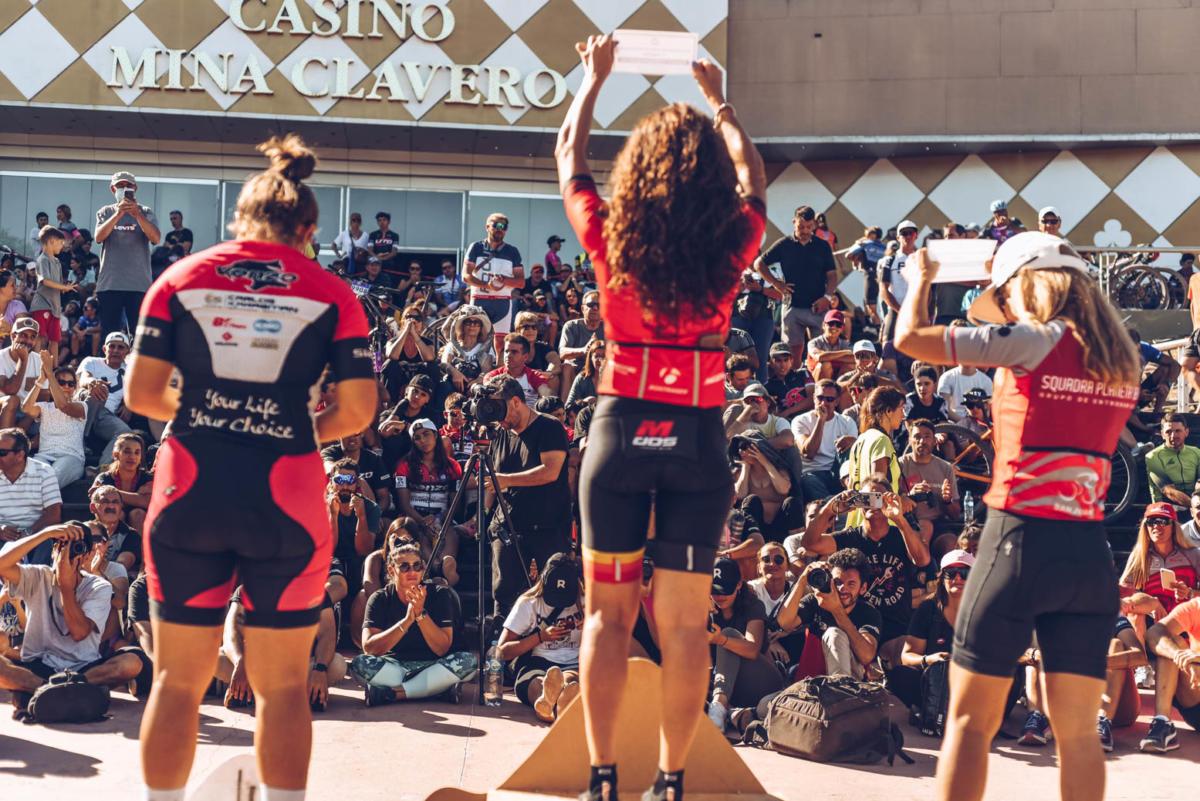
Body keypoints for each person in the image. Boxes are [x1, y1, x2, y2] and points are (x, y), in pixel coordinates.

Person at [125, 135, 377, 801]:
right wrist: (289, 428)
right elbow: (358, 408)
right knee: (283, 689)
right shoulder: (332, 292)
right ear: (310, 231)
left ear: (240, 218)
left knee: (177, 682)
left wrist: (213, 415)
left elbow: (142, 394)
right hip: (285, 500)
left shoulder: (181, 277)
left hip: (190, 491)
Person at [557, 34, 766, 801]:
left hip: (620, 433)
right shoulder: (733, 245)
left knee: (606, 620)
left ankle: (602, 778)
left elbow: (569, 155)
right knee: (683, 629)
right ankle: (673, 780)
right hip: (698, 437)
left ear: (638, 172)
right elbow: (755, 181)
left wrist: (594, 81)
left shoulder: (611, 238)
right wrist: (720, 103)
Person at [894, 231, 1140, 801]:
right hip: (1088, 554)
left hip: (1019, 540)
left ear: (1028, 285)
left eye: (1006, 294)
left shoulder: (1034, 341)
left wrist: (920, 279)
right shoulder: (1120, 360)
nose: (1005, 306)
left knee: (967, 724)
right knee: (1078, 734)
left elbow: (909, 338)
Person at [0, 522, 147, 720]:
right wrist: (45, 533)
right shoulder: (38, 575)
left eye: (75, 548)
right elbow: (2, 564)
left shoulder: (99, 586)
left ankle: (42, 692)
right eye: (61, 546)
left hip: (83, 667)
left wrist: (66, 588)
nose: (67, 553)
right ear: (53, 550)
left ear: (86, 556)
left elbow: (79, 632)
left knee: (131, 662)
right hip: (38, 664)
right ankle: (69, 691)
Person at [800, 481, 930, 665]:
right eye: (865, 498)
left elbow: (923, 560)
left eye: (878, 498)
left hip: (896, 628)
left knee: (910, 652)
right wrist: (830, 509)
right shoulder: (850, 537)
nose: (872, 503)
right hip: (860, 626)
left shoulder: (901, 535)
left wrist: (899, 518)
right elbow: (809, 544)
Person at [479, 374, 571, 615]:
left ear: (516, 402)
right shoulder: (501, 433)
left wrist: (507, 480)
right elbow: (494, 480)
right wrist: (484, 513)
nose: (498, 417)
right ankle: (500, 633)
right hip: (509, 525)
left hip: (548, 526)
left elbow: (551, 471)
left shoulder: (549, 426)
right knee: (504, 593)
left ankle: (553, 637)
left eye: (500, 409)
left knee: (554, 590)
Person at [350, 542, 474, 705]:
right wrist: (407, 620)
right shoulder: (379, 598)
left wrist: (420, 614)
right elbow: (369, 648)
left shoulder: (440, 594)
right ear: (391, 570)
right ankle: (436, 690)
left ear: (423, 569)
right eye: (404, 567)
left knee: (468, 661)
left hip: (434, 665)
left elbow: (442, 648)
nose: (412, 572)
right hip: (394, 667)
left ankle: (395, 694)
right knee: (359, 664)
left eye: (417, 566)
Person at [498, 552, 584, 722]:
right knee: (535, 682)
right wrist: (541, 637)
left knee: (570, 678)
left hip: (574, 663)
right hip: (538, 662)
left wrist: (591, 628)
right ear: (543, 583)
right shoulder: (529, 603)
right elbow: (501, 652)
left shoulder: (586, 601)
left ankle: (554, 699)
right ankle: (549, 699)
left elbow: (610, 641)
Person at [776, 547, 882, 679]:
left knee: (834, 633)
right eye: (837, 582)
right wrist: (802, 580)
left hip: (850, 685)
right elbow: (784, 623)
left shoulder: (868, 612)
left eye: (851, 584)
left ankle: (840, 686)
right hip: (812, 682)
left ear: (863, 588)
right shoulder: (816, 601)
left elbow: (866, 656)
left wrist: (837, 611)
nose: (842, 588)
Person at [705, 557, 783, 729]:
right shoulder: (705, 607)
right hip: (731, 687)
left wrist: (720, 640)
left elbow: (752, 650)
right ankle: (729, 711)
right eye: (714, 590)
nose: (719, 596)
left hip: (763, 682)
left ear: (739, 585)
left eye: (725, 590)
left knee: (728, 634)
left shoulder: (753, 606)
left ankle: (719, 707)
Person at [890, 549, 972, 708]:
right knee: (899, 675)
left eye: (964, 573)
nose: (957, 578)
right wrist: (929, 659)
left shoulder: (985, 610)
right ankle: (932, 711)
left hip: (972, 682)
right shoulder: (928, 608)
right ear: (941, 578)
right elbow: (907, 656)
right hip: (935, 684)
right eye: (951, 573)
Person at [755, 206, 837, 364]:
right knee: (791, 355)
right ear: (794, 222)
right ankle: (794, 379)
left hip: (818, 307)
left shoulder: (823, 246)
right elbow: (759, 263)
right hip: (792, 307)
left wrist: (827, 297)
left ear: (814, 225)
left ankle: (815, 379)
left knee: (821, 356)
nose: (805, 231)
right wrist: (777, 284)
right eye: (801, 227)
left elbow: (832, 275)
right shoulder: (784, 244)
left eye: (809, 227)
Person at [94, 170, 161, 338]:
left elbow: (156, 238)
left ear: (135, 188)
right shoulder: (105, 212)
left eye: (128, 185)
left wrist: (137, 214)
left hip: (139, 285)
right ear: (112, 189)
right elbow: (99, 237)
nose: (124, 189)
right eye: (120, 185)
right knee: (109, 336)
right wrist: (118, 214)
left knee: (139, 337)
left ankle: (135, 357)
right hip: (110, 284)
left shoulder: (146, 211)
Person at [1118, 503, 1200, 628]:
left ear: (1174, 526)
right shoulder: (1139, 556)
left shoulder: (1192, 554)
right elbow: (1125, 592)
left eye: (1163, 521)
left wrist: (1189, 593)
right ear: (1145, 527)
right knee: (1135, 613)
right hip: (1153, 619)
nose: (1156, 526)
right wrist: (1151, 603)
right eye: (1151, 521)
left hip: (1186, 618)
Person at [1142, 597, 1200, 752]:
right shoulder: (1196, 606)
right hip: (1195, 699)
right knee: (1169, 641)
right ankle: (1162, 723)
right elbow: (1154, 633)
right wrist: (1178, 655)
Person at [463, 213, 524, 357]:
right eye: (496, 225)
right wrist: (486, 285)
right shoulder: (476, 247)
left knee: (501, 344)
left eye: (504, 226)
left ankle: (498, 369)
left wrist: (504, 280)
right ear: (487, 227)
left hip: (502, 303)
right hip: (480, 301)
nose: (500, 229)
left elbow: (521, 282)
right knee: (475, 340)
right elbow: (466, 276)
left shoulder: (512, 251)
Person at [0, 427, 63, 564]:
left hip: (36, 536)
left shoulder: (44, 472)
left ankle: (36, 577)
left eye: (1, 452)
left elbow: (54, 514)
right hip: (1, 537)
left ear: (20, 455)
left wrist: (28, 534)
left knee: (44, 541)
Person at [899, 419, 961, 551]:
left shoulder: (946, 468)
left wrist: (947, 500)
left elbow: (955, 514)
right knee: (923, 530)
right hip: (909, 523)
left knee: (951, 545)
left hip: (939, 524)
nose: (922, 441)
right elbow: (889, 501)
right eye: (917, 436)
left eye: (927, 436)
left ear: (934, 441)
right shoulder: (900, 465)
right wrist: (910, 496)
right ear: (910, 440)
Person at [792, 379, 858, 500]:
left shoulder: (847, 422)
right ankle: (832, 506)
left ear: (837, 401)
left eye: (829, 399)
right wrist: (821, 421)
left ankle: (844, 501)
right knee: (808, 481)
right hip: (813, 472)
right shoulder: (800, 420)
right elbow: (808, 453)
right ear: (814, 398)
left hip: (839, 472)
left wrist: (852, 442)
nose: (823, 403)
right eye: (820, 398)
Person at [23, 361, 86, 488]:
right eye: (61, 382)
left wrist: (50, 374)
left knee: (51, 479)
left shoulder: (82, 406)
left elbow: (63, 406)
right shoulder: (44, 407)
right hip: (43, 456)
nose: (66, 386)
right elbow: (26, 408)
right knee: (28, 477)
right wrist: (41, 379)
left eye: (71, 384)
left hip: (71, 457)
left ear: (75, 388)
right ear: (52, 385)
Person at [78, 332, 133, 467]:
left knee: (125, 433)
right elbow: (83, 378)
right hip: (83, 407)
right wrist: (92, 382)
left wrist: (128, 406)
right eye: (112, 346)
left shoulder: (130, 372)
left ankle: (102, 469)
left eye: (120, 347)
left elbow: (138, 394)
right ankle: (79, 440)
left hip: (105, 415)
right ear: (104, 349)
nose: (115, 350)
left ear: (127, 351)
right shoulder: (91, 361)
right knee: (100, 389)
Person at [845, 386, 905, 498]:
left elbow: (851, 487)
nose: (903, 415)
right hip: (879, 509)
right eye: (901, 408)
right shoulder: (881, 440)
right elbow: (876, 490)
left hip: (860, 508)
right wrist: (901, 502)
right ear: (888, 411)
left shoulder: (861, 439)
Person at [30, 226, 76, 363]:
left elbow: (58, 285)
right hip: (42, 305)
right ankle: (35, 366)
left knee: (54, 340)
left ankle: (53, 368)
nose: (62, 246)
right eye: (61, 243)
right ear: (51, 241)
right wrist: (64, 287)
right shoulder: (42, 259)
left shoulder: (57, 262)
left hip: (55, 307)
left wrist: (66, 288)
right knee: (40, 337)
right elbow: (45, 281)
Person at [1145, 412, 1200, 506]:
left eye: (1178, 431)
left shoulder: (1196, 452)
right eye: (1168, 432)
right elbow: (1168, 491)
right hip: (1166, 507)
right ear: (1162, 434)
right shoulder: (1153, 456)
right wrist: (1195, 506)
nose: (1173, 436)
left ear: (1186, 432)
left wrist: (1197, 498)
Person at [558, 289, 604, 399]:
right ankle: (565, 407)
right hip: (576, 368)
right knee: (566, 367)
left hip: (600, 367)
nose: (595, 308)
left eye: (599, 305)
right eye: (591, 304)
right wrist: (584, 350)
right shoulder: (571, 326)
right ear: (583, 308)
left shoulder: (609, 328)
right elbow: (562, 353)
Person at [484, 333, 553, 408]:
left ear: (525, 357)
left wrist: (546, 400)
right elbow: (486, 391)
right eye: (506, 351)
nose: (508, 355)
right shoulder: (493, 375)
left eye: (514, 352)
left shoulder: (534, 376)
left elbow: (546, 395)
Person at [0, 317, 44, 428]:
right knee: (12, 400)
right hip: (3, 410)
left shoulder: (39, 361)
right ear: (13, 336)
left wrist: (23, 425)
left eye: (32, 337)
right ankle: (5, 438)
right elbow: (10, 390)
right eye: (23, 335)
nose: (28, 341)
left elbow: (44, 397)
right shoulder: (1, 357)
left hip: (29, 414)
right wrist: (23, 360)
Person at [763, 342, 811, 419]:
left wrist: (787, 412)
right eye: (778, 361)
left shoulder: (804, 374)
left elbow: (812, 399)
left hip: (808, 418)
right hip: (784, 422)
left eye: (786, 360)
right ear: (771, 363)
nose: (783, 365)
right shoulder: (767, 386)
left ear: (791, 361)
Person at [805, 309, 853, 380]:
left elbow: (854, 359)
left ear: (842, 328)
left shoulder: (845, 343)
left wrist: (827, 356)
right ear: (823, 325)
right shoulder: (813, 342)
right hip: (814, 381)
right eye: (831, 323)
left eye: (838, 325)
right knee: (825, 365)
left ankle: (840, 387)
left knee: (850, 365)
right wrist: (845, 353)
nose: (834, 327)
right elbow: (820, 357)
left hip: (837, 378)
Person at [566, 338, 605, 408]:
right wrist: (584, 402)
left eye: (603, 356)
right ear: (590, 358)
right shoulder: (582, 378)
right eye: (596, 356)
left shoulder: (615, 379)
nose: (599, 359)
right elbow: (568, 406)